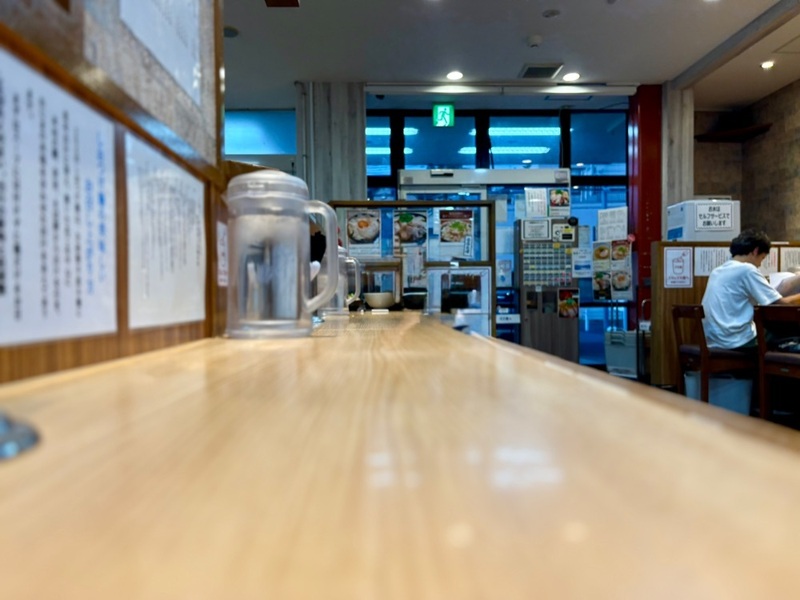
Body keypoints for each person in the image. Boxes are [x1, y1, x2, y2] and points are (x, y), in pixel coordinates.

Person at [702, 229, 800, 350]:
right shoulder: (747, 270)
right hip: (738, 341)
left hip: (714, 340)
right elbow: (780, 303)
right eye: (762, 258)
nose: (759, 264)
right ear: (756, 251)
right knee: (789, 332)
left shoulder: (717, 271)